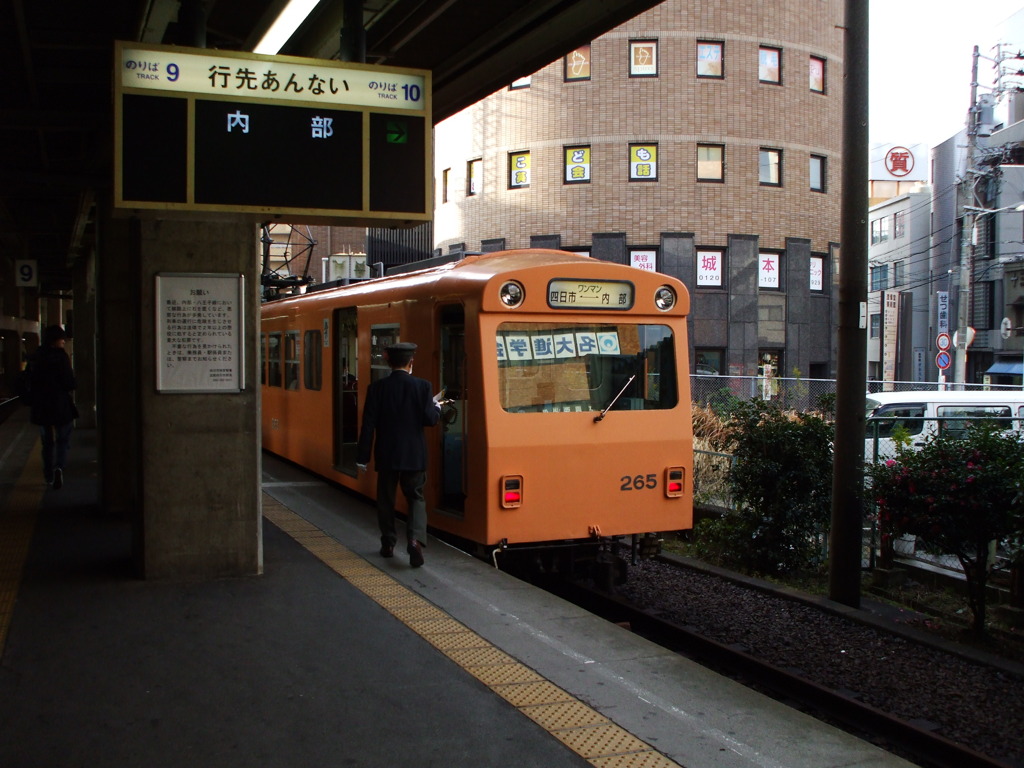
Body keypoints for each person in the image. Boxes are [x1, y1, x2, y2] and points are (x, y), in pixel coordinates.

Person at [356, 342, 441, 567]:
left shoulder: (377, 388)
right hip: (414, 454)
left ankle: (388, 543)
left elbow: (368, 425)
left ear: (388, 362)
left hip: (387, 453)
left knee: (386, 499)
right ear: (411, 363)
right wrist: (438, 408)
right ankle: (414, 540)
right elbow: (430, 419)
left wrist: (362, 457)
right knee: (415, 497)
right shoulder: (423, 386)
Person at [28, 325, 78, 489]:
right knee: (63, 440)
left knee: (47, 443)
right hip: (60, 405)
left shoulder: (36, 357)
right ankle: (59, 468)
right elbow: (69, 382)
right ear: (55, 340)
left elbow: (28, 381)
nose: (63, 341)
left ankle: (48, 475)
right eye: (61, 339)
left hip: (42, 406)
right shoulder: (61, 357)